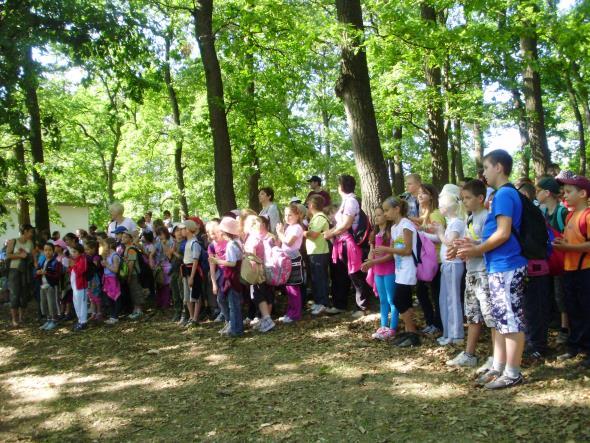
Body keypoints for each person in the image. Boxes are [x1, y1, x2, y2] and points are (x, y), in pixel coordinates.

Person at [458, 149, 528, 390]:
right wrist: (475, 245)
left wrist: (478, 250)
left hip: (507, 266)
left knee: (510, 320)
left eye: (487, 167)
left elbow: (503, 232)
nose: (484, 173)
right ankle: (498, 365)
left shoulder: (505, 195)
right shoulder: (501, 195)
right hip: (497, 265)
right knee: (500, 320)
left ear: (499, 167)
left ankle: (512, 371)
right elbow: (497, 235)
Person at [447, 180, 493, 368]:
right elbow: (471, 242)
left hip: (484, 272)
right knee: (473, 315)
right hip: (471, 272)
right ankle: (469, 354)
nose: (463, 202)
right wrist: (457, 249)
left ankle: (494, 357)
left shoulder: (487, 217)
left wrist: (470, 246)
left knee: (491, 317)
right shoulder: (469, 218)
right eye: (462, 198)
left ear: (480, 198)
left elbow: (489, 244)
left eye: (467, 198)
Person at [553, 171, 590, 368]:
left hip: (585, 271)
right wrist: (563, 242)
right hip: (569, 271)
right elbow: (572, 240)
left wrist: (568, 247)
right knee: (572, 308)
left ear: (582, 194)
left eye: (568, 191)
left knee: (586, 309)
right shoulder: (570, 217)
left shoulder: (587, 216)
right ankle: (575, 346)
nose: (564, 195)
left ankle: (587, 350)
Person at [324, 175, 374, 317]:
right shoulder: (346, 201)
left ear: (341, 187)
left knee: (356, 274)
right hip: (341, 243)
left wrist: (330, 233)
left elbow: (346, 224)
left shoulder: (351, 201)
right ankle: (340, 304)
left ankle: (363, 307)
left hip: (350, 243)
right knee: (341, 274)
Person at [374, 197, 420, 347]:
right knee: (403, 301)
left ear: (397, 209)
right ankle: (409, 332)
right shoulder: (394, 228)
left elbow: (407, 250)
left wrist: (386, 248)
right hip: (399, 270)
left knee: (399, 300)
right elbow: (393, 251)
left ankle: (413, 335)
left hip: (408, 269)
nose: (385, 213)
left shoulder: (407, 225)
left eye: (387, 210)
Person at [536, 176, 570, 344]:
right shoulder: (541, 211)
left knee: (560, 294)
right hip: (546, 258)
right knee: (550, 293)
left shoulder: (562, 212)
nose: (536, 194)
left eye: (538, 190)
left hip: (560, 259)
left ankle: (565, 328)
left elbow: (569, 235)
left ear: (547, 193)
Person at [361, 206, 397, 341]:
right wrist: (368, 262)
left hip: (389, 270)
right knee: (382, 300)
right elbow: (372, 251)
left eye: (380, 215)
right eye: (375, 215)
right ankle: (383, 326)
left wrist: (373, 262)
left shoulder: (391, 232)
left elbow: (391, 255)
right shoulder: (374, 233)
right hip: (378, 271)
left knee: (391, 300)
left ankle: (392, 328)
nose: (377, 218)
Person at [435, 192, 466, 346]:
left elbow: (450, 243)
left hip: (454, 264)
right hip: (447, 264)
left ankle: (456, 334)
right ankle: (448, 332)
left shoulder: (458, 223)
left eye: (440, 205)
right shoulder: (451, 222)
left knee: (453, 299)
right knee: (444, 299)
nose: (439, 207)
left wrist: (440, 232)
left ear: (447, 207)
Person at [416, 183, 445, 335]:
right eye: (419, 193)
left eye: (424, 193)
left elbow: (441, 237)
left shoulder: (435, 214)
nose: (420, 196)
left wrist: (421, 234)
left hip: (436, 260)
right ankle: (431, 322)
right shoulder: (426, 213)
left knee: (435, 293)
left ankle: (438, 324)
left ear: (431, 196)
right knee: (422, 291)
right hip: (427, 260)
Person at [209, 217, 244, 337]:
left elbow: (232, 262)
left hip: (231, 277)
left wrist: (217, 261)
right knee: (234, 304)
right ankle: (236, 328)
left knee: (233, 304)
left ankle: (236, 330)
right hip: (236, 276)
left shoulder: (230, 245)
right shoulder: (238, 242)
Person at [244, 215, 275, 332]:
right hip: (261, 269)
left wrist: (252, 271)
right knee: (263, 294)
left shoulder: (252, 239)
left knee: (258, 295)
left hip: (257, 272)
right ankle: (265, 318)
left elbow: (252, 256)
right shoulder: (258, 238)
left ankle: (267, 318)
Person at [277, 204, 305, 323]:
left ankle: (295, 314)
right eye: (286, 215)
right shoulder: (289, 227)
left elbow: (289, 242)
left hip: (293, 258)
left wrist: (280, 233)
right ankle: (290, 312)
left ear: (297, 215)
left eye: (290, 215)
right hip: (286, 258)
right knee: (288, 287)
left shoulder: (297, 227)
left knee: (293, 286)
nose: (287, 217)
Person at [304, 195, 331, 316]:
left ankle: (323, 303)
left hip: (320, 252)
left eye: (308, 204)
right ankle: (318, 301)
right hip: (314, 251)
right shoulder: (315, 217)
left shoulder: (320, 217)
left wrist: (304, 233)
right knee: (315, 278)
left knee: (320, 278)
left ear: (312, 205)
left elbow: (314, 234)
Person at [6, 224, 35, 327]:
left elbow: (32, 257)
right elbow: (7, 255)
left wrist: (28, 257)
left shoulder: (30, 243)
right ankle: (14, 319)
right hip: (14, 271)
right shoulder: (13, 241)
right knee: (14, 294)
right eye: (31, 232)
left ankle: (22, 318)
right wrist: (19, 255)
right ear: (25, 231)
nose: (32, 234)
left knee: (24, 294)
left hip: (25, 271)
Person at [181, 219, 203, 327]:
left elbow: (195, 261)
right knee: (187, 296)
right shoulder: (187, 243)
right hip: (186, 270)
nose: (181, 231)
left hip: (192, 271)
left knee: (196, 294)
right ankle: (191, 316)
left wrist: (192, 277)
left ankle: (195, 318)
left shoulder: (194, 243)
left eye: (183, 229)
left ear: (189, 230)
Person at [37, 242, 62, 331]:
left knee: (52, 304)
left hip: (51, 286)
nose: (47, 252)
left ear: (53, 250)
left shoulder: (56, 262)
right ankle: (48, 320)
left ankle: (54, 320)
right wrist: (37, 273)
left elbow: (57, 275)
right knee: (44, 304)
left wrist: (46, 273)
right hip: (42, 286)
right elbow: (37, 272)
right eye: (45, 250)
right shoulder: (42, 261)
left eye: (49, 250)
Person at [121, 231, 145, 320]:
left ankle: (139, 310)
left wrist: (129, 276)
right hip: (130, 274)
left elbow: (131, 264)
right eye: (122, 236)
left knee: (136, 291)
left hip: (134, 274)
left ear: (130, 239)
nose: (123, 238)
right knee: (132, 292)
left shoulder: (131, 249)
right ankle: (135, 310)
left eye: (126, 237)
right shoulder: (126, 248)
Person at [101, 238, 122, 325]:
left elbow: (115, 270)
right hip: (107, 279)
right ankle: (112, 316)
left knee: (115, 298)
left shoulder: (115, 256)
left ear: (110, 245)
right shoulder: (108, 255)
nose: (103, 246)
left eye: (105, 245)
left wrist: (107, 265)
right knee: (109, 298)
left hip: (113, 279)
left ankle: (115, 316)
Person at [69, 244, 89, 331]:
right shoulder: (75, 260)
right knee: (76, 304)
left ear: (80, 252)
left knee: (82, 304)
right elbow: (72, 271)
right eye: (72, 252)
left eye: (75, 252)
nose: (73, 253)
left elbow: (80, 272)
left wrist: (73, 265)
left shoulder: (82, 260)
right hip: (75, 286)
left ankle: (83, 321)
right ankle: (80, 320)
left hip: (81, 286)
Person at [84, 239, 103, 322]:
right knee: (91, 296)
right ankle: (93, 312)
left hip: (95, 278)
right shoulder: (86, 256)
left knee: (96, 295)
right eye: (85, 249)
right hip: (89, 278)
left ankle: (99, 312)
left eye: (88, 249)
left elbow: (95, 267)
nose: (86, 251)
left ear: (93, 249)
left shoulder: (96, 257)